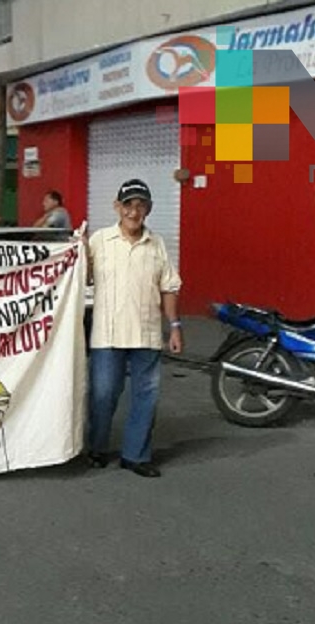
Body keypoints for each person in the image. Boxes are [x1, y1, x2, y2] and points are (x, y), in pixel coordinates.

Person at [86, 179, 183, 478]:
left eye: (140, 205)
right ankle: (97, 447)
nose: (134, 210)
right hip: (107, 334)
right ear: (117, 207)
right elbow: (80, 275)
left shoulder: (157, 244)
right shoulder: (99, 241)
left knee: (146, 397)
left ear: (149, 209)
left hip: (148, 334)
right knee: (103, 394)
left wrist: (175, 326)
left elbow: (168, 287)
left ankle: (135, 455)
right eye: (128, 204)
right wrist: (77, 251)